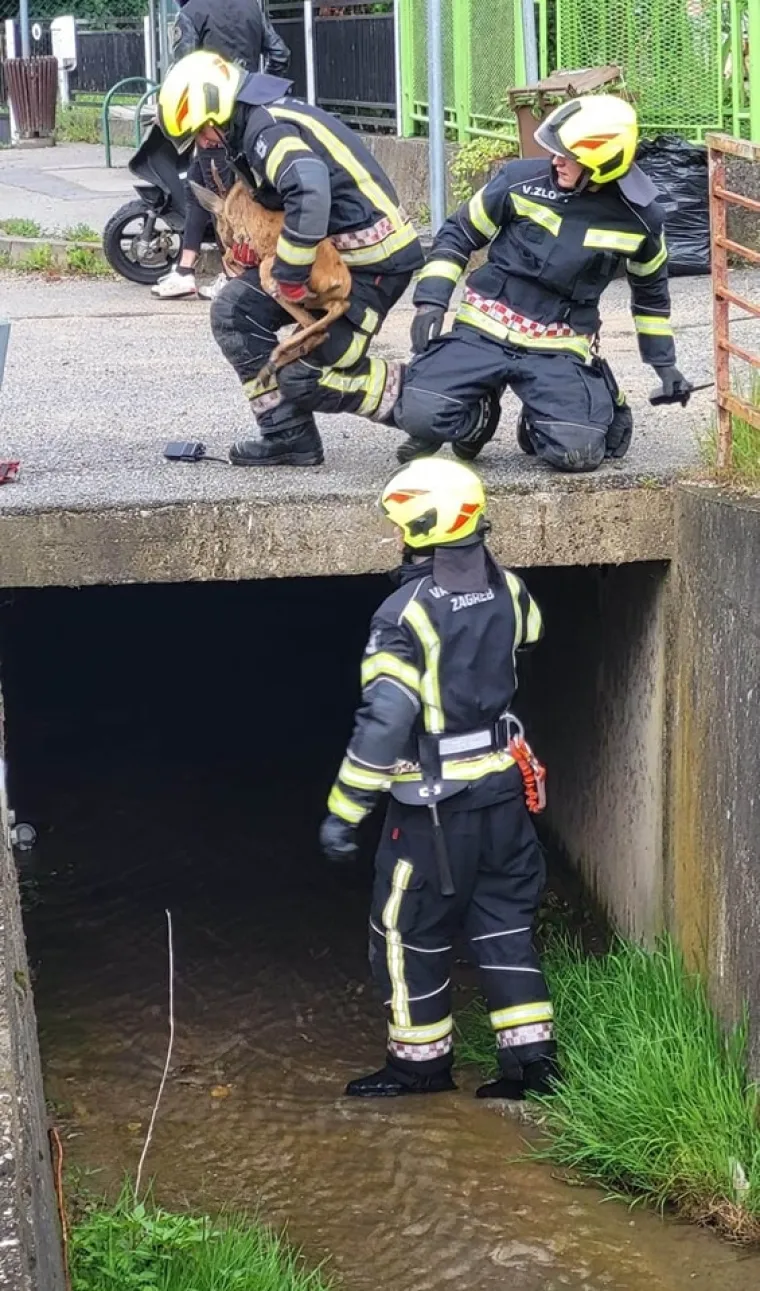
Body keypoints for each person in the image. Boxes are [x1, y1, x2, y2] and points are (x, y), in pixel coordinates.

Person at [319, 457, 557, 1100]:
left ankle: (419, 1068)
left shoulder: (404, 614)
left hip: (431, 815)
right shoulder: (511, 589)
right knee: (504, 920)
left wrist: (346, 812)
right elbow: (527, 640)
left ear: (421, 529)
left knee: (406, 931)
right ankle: (532, 1065)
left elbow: (385, 720)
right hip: (505, 795)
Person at [394, 95, 693, 472]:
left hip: (558, 344)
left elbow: (651, 297)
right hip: (486, 327)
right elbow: (459, 234)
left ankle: (546, 416)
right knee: (420, 414)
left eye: (567, 155)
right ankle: (480, 411)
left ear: (600, 165)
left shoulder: (641, 219)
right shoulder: (520, 181)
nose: (555, 160)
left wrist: (665, 367)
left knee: (579, 454)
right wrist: (431, 300)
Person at [157, 51, 423, 466]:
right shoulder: (256, 122)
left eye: (203, 132)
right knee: (233, 311)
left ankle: (444, 405)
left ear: (219, 109)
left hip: (373, 266)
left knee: (308, 377)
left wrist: (291, 273)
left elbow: (310, 189)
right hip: (330, 261)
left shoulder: (268, 128)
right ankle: (286, 436)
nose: (204, 144)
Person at [152, 0, 290, 302]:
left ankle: (232, 276)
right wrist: (258, 92)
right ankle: (186, 270)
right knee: (200, 187)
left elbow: (184, 69)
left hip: (209, 118)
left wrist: (174, 109)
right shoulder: (251, 7)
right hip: (244, 116)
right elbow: (280, 53)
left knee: (225, 200)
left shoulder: (192, 12)